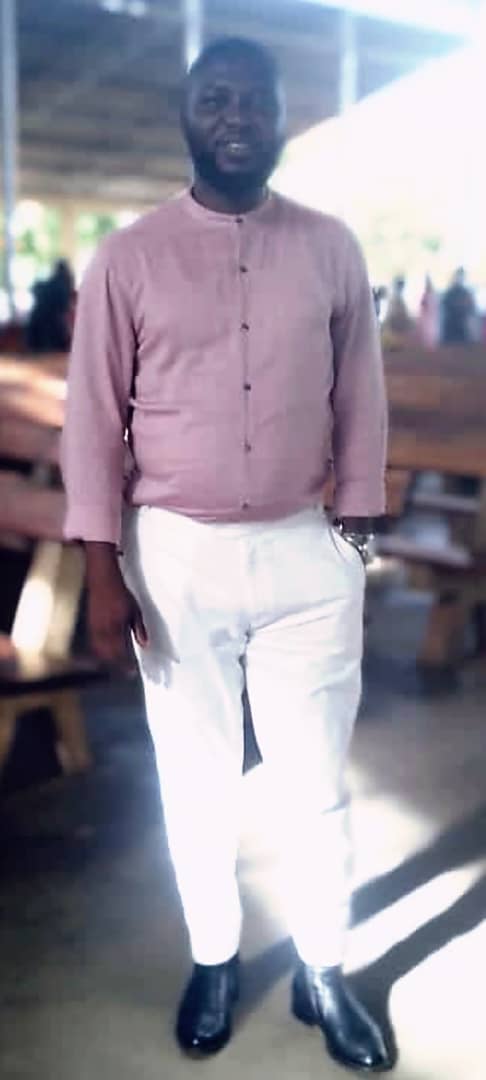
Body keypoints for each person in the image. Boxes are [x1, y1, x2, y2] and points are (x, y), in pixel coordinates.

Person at [62, 37, 391, 1073]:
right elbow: (91, 419)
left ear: (284, 117)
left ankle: (324, 968)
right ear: (188, 115)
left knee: (316, 783)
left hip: (303, 550)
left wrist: (357, 524)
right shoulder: (129, 256)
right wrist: (101, 567)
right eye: (215, 98)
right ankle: (213, 958)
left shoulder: (331, 248)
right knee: (195, 779)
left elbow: (361, 389)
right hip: (176, 558)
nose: (236, 114)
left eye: (255, 99)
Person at [26, 258, 76, 353]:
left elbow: (34, 288)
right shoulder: (63, 287)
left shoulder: (47, 284)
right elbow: (64, 311)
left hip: (36, 326)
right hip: (52, 329)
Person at [441, 267, 477, 345]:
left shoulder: (466, 293)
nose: (460, 278)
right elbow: (444, 307)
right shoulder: (449, 293)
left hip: (462, 328)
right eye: (459, 276)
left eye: (461, 276)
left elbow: (472, 309)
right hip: (450, 328)